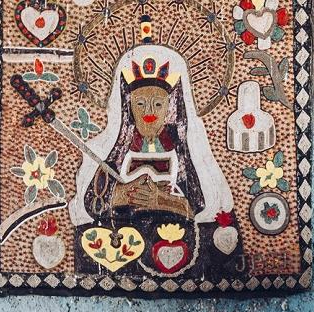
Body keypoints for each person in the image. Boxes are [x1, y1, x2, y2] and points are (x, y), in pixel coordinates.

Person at [68, 16, 237, 276]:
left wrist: (164, 200)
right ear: (129, 108)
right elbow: (93, 201)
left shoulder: (182, 151)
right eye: (140, 104)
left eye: (158, 104)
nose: (149, 112)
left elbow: (199, 204)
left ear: (171, 107)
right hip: (124, 247)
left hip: (176, 244)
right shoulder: (119, 149)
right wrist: (120, 195)